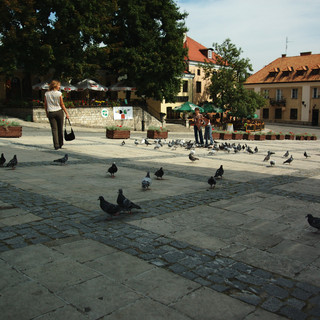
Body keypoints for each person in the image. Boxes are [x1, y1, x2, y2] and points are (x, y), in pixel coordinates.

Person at [44, 80, 70, 150]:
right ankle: (60, 143)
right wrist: (66, 113)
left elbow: (45, 105)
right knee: (60, 128)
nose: (59, 87)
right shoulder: (59, 94)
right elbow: (62, 104)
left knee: (54, 129)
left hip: (51, 112)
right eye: (59, 85)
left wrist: (47, 113)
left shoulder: (47, 94)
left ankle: (56, 145)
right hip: (59, 111)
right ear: (55, 86)